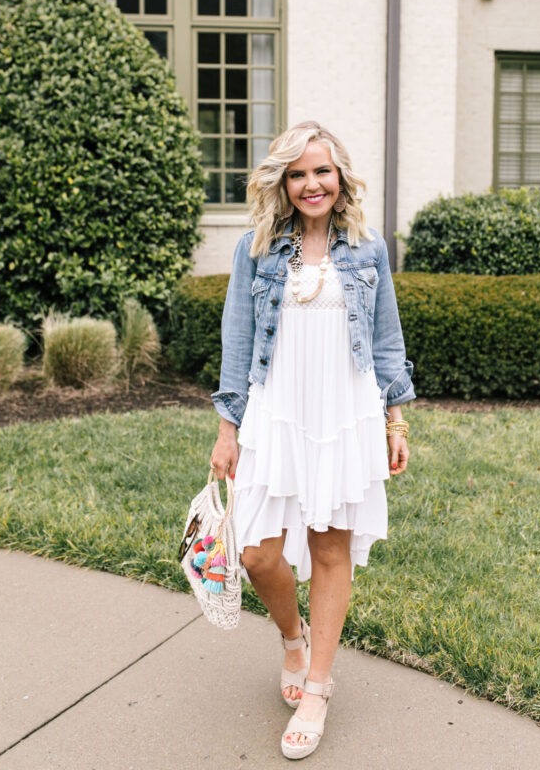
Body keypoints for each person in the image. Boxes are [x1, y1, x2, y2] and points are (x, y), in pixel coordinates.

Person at [209, 121, 414, 760]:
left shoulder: (368, 248)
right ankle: (292, 637)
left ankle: (318, 687)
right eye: (297, 174)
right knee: (255, 552)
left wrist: (396, 418)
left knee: (332, 549)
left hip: (345, 412)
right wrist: (227, 427)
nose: (310, 184)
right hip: (276, 411)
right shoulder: (257, 249)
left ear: (340, 177)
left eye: (321, 171)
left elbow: (385, 339)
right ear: (283, 183)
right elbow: (237, 341)